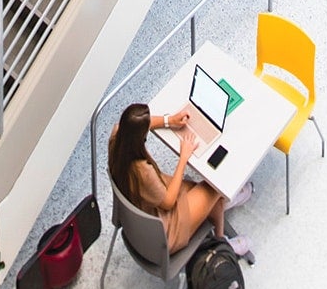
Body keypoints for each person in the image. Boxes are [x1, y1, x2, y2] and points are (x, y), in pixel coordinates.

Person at [108, 102, 252, 257]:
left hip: (141, 215)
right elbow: (169, 202)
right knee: (214, 186)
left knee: (207, 193)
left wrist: (169, 120)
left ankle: (218, 205)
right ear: (140, 138)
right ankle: (222, 245)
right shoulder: (143, 171)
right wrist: (183, 157)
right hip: (165, 230)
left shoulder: (117, 135)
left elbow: (141, 124)